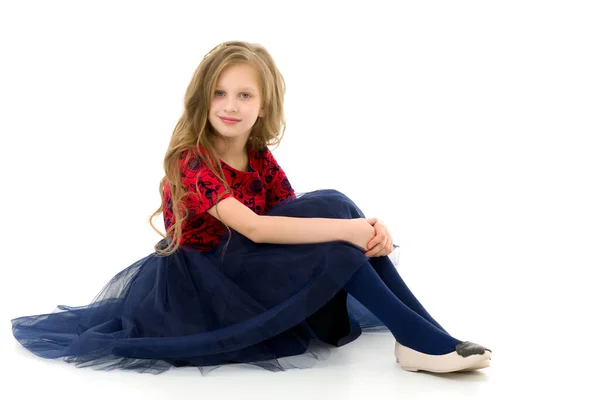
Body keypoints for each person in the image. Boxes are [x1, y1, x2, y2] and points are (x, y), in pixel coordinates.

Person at [11, 40, 491, 374]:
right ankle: (421, 343)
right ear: (203, 99)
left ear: (263, 106)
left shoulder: (258, 153)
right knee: (341, 237)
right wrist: (349, 234)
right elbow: (259, 230)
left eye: (244, 95)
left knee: (337, 204)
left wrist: (365, 227)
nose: (230, 105)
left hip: (246, 265)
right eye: (220, 93)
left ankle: (425, 336)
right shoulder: (191, 160)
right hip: (204, 285)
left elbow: (295, 217)